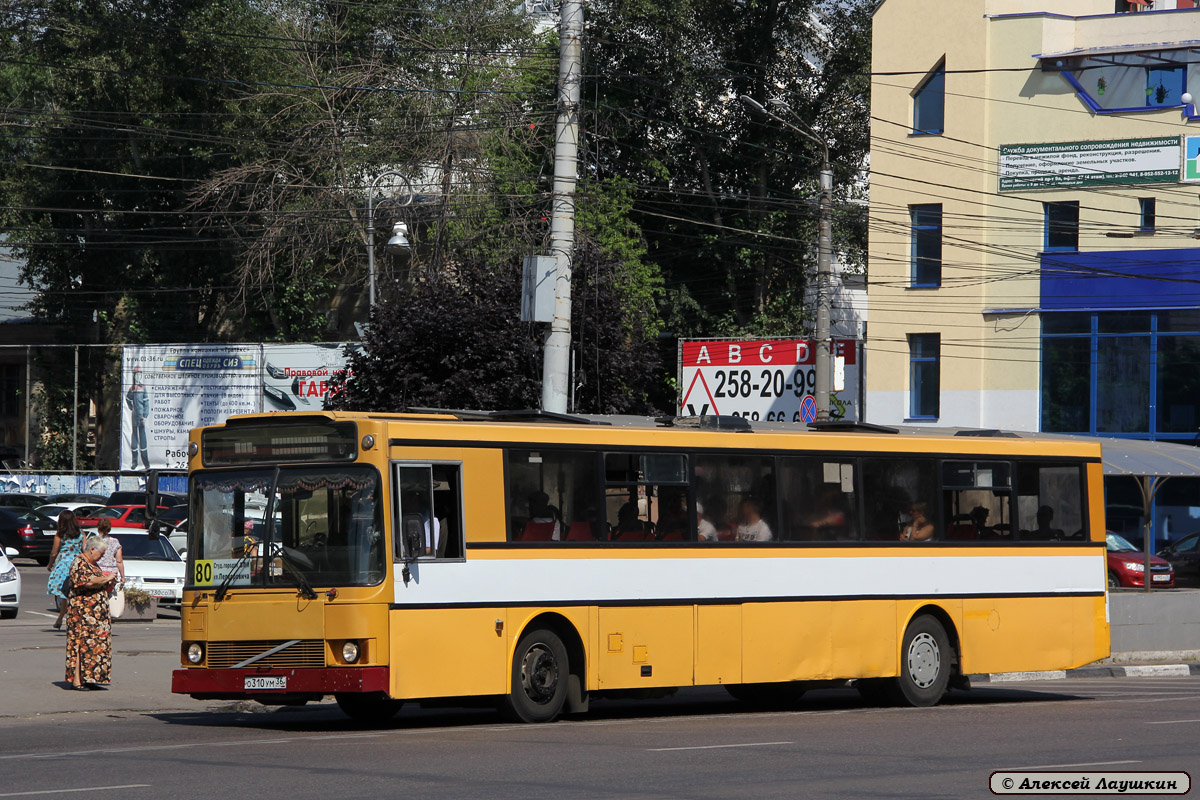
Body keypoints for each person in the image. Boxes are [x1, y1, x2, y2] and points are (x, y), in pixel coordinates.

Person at [65, 536, 118, 690]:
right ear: (92, 549)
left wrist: (108, 581)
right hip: (82, 613)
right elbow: (88, 582)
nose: (101, 556)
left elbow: (98, 581)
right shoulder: (79, 562)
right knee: (81, 645)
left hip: (95, 614)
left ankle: (89, 677)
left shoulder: (93, 564)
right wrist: (106, 578)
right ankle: (77, 680)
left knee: (94, 646)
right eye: (100, 553)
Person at [47, 510, 84, 630]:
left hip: (64, 564)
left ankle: (63, 618)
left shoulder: (60, 534)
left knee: (64, 593)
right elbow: (85, 549)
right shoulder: (81, 533)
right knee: (75, 593)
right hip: (77, 563)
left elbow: (54, 552)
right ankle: (66, 618)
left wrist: (50, 564)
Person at [93, 519, 125, 615]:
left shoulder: (94, 541)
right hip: (111, 573)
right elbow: (119, 561)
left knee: (96, 594)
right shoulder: (115, 542)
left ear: (98, 528)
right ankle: (105, 612)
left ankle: (97, 612)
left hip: (97, 571)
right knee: (107, 594)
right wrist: (123, 576)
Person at [126, 367, 151, 471]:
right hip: (134, 417)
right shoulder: (132, 389)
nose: (138, 376)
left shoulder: (143, 388)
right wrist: (131, 408)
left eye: (139, 374)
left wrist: (145, 416)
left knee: (143, 439)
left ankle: (146, 464)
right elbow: (128, 399)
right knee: (134, 439)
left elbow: (147, 403)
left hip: (141, 417)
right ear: (133, 376)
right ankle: (134, 462)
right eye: (136, 374)